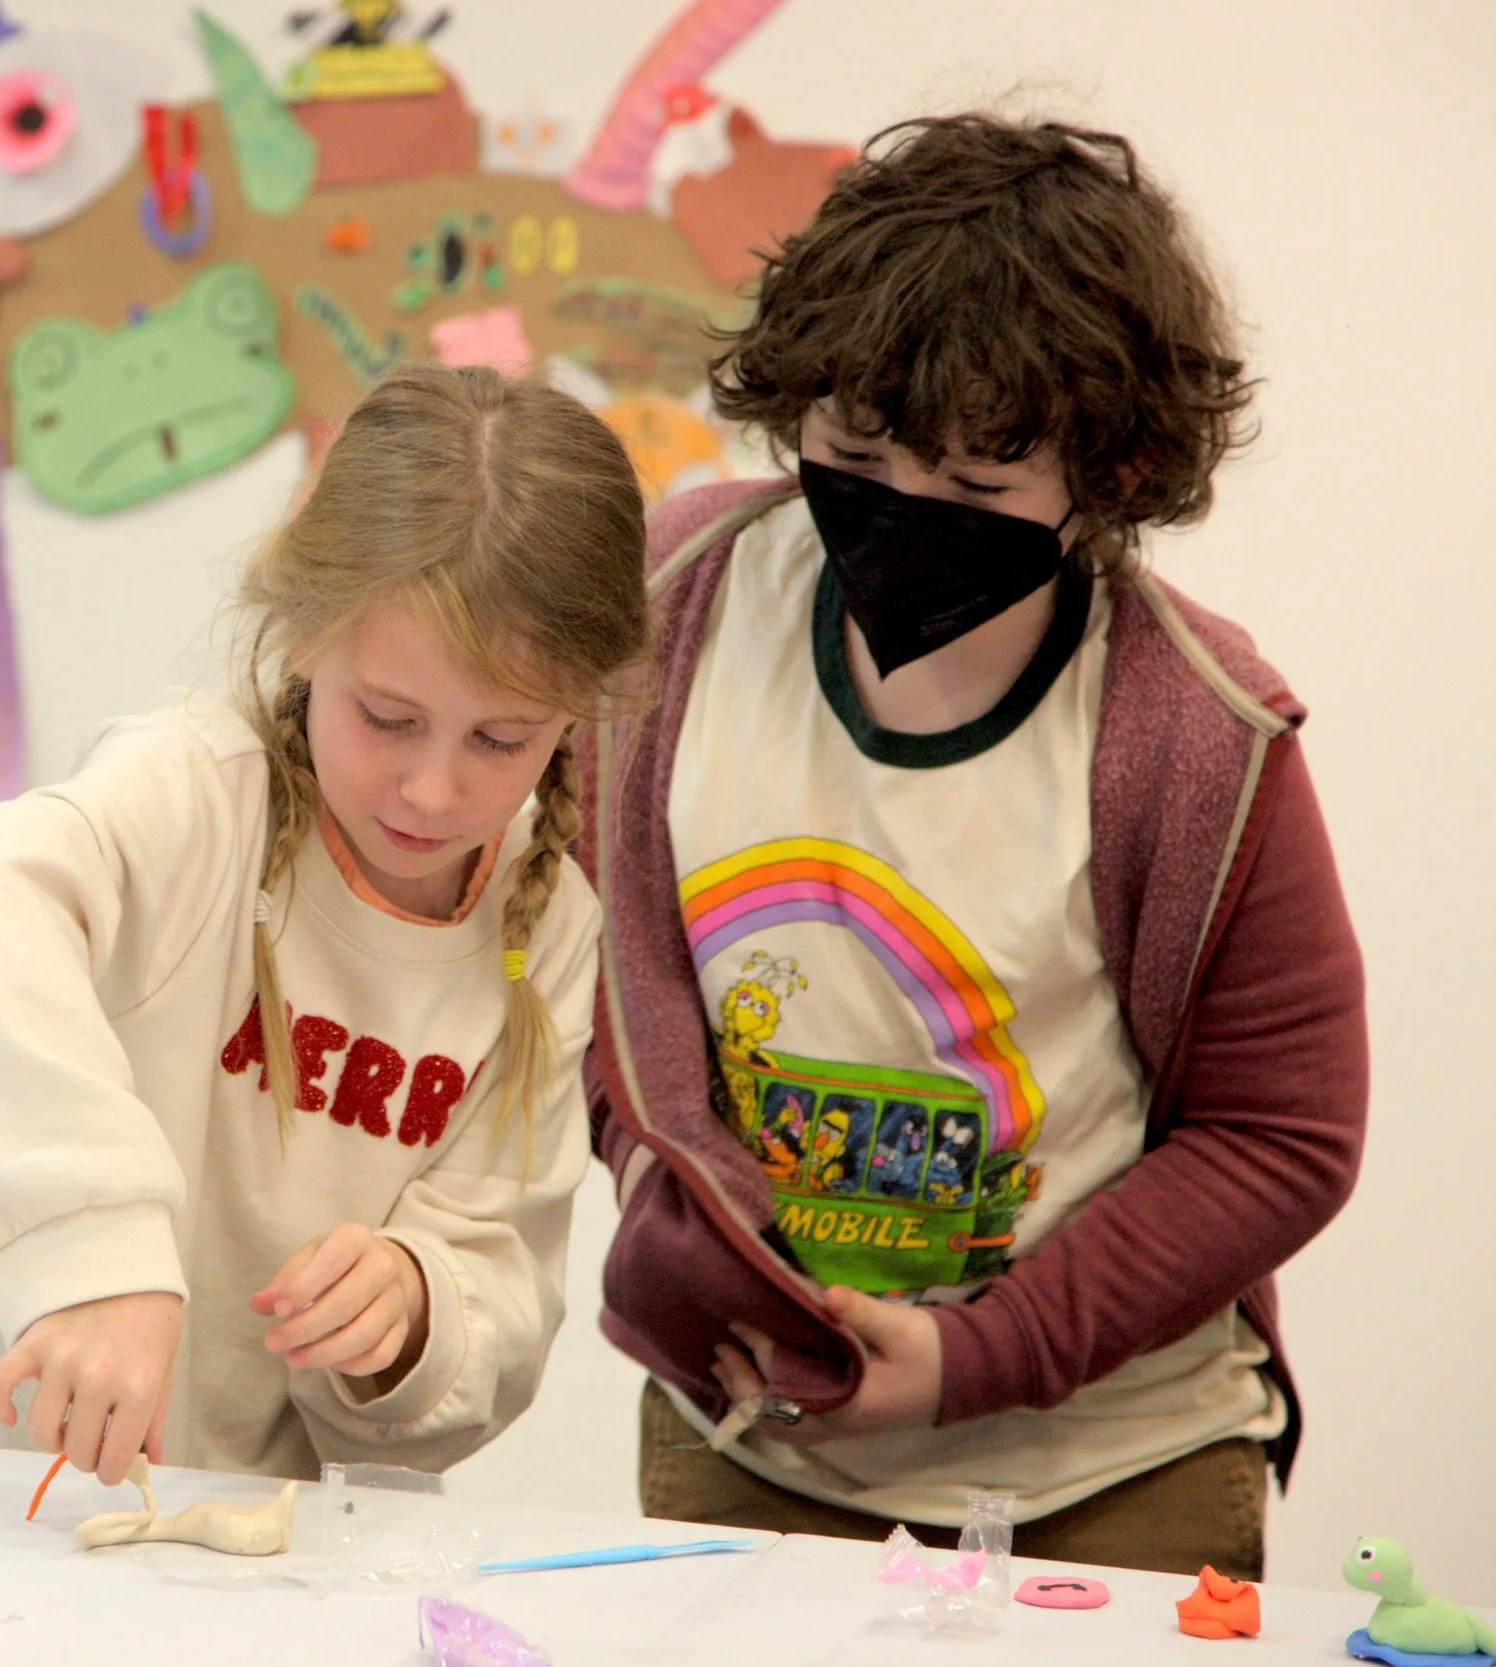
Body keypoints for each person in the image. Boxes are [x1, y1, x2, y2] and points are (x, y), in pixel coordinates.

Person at [583, 114, 1366, 1580]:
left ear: (1108, 476)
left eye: (979, 492)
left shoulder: (1195, 730)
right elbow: (603, 981)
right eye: (854, 452)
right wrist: (679, 1218)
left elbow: (1283, 1135)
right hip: (751, 1434)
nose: (903, 510)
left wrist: (979, 1353)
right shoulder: (677, 602)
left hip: (1109, 1472)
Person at [0, 363, 652, 1485]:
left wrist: (416, 1303)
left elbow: (497, 1290)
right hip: (4, 1489)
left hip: (256, 1538)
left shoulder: (548, 928)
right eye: (387, 717)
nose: (433, 790)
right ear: (305, 634)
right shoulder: (194, 794)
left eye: (501, 739)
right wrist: (93, 1253)